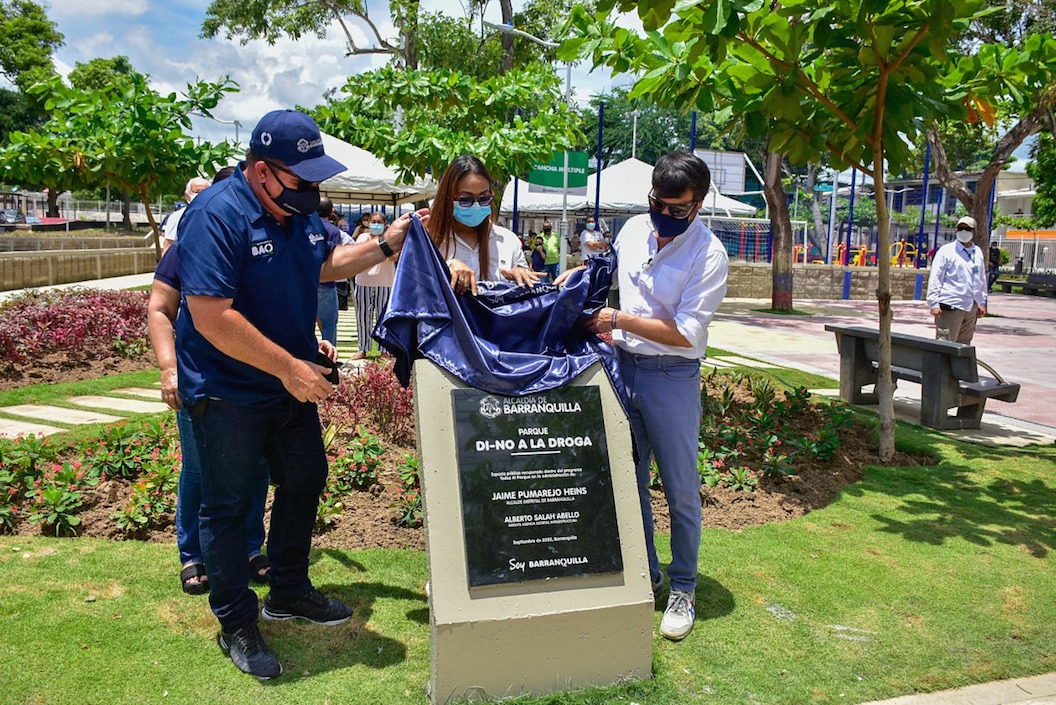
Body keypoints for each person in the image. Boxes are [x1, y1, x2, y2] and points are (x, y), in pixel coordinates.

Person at [175, 109, 422, 679]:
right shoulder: (216, 214)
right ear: (262, 172)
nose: (314, 191)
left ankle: (287, 589)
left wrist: (388, 242)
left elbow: (327, 264)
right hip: (228, 390)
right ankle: (236, 619)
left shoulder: (295, 214)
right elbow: (211, 316)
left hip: (287, 384)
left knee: (305, 478)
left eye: (318, 182)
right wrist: (289, 367)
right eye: (304, 180)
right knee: (228, 506)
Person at [558, 152, 728, 642]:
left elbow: (687, 333)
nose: (666, 215)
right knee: (626, 483)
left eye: (679, 209)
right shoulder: (634, 229)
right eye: (660, 203)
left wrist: (618, 321)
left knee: (679, 489)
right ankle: (647, 572)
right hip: (623, 369)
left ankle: (683, 586)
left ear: (698, 205)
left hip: (671, 376)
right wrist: (579, 275)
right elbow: (608, 271)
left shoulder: (708, 254)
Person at [148, 167, 273, 597]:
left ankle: (251, 547)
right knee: (200, 468)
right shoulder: (189, 243)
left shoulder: (266, 244)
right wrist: (169, 368)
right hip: (202, 378)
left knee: (257, 467)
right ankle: (193, 554)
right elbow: (160, 308)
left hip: (255, 381)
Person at [426, 155, 538, 295]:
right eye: (465, 199)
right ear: (448, 198)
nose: (477, 206)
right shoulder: (430, 241)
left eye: (484, 198)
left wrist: (520, 274)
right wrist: (445, 268)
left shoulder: (508, 241)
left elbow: (525, 299)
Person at [927, 216, 987, 344]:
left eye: (968, 229)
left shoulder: (977, 252)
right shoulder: (946, 251)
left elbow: (981, 278)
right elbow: (936, 278)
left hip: (971, 307)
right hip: (951, 305)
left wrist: (982, 302)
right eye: (961, 228)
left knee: (964, 346)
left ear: (974, 232)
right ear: (956, 231)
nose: (964, 231)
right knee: (946, 344)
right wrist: (933, 303)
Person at [352, 212, 396, 359]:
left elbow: (395, 256)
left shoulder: (390, 238)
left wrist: (379, 249)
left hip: (385, 283)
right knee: (363, 317)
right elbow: (357, 256)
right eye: (373, 221)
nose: (376, 224)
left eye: (379, 222)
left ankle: (384, 350)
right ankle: (362, 349)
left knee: (383, 318)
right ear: (369, 223)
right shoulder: (362, 238)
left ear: (385, 224)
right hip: (364, 282)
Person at [315, 197, 352, 344]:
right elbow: (334, 257)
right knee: (329, 323)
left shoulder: (306, 227)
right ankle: (329, 357)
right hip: (326, 282)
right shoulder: (333, 231)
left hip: (306, 281)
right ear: (331, 212)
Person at [161, 176, 212, 255]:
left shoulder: (217, 216)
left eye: (204, 191)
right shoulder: (176, 217)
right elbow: (168, 246)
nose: (201, 195)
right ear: (187, 195)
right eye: (196, 191)